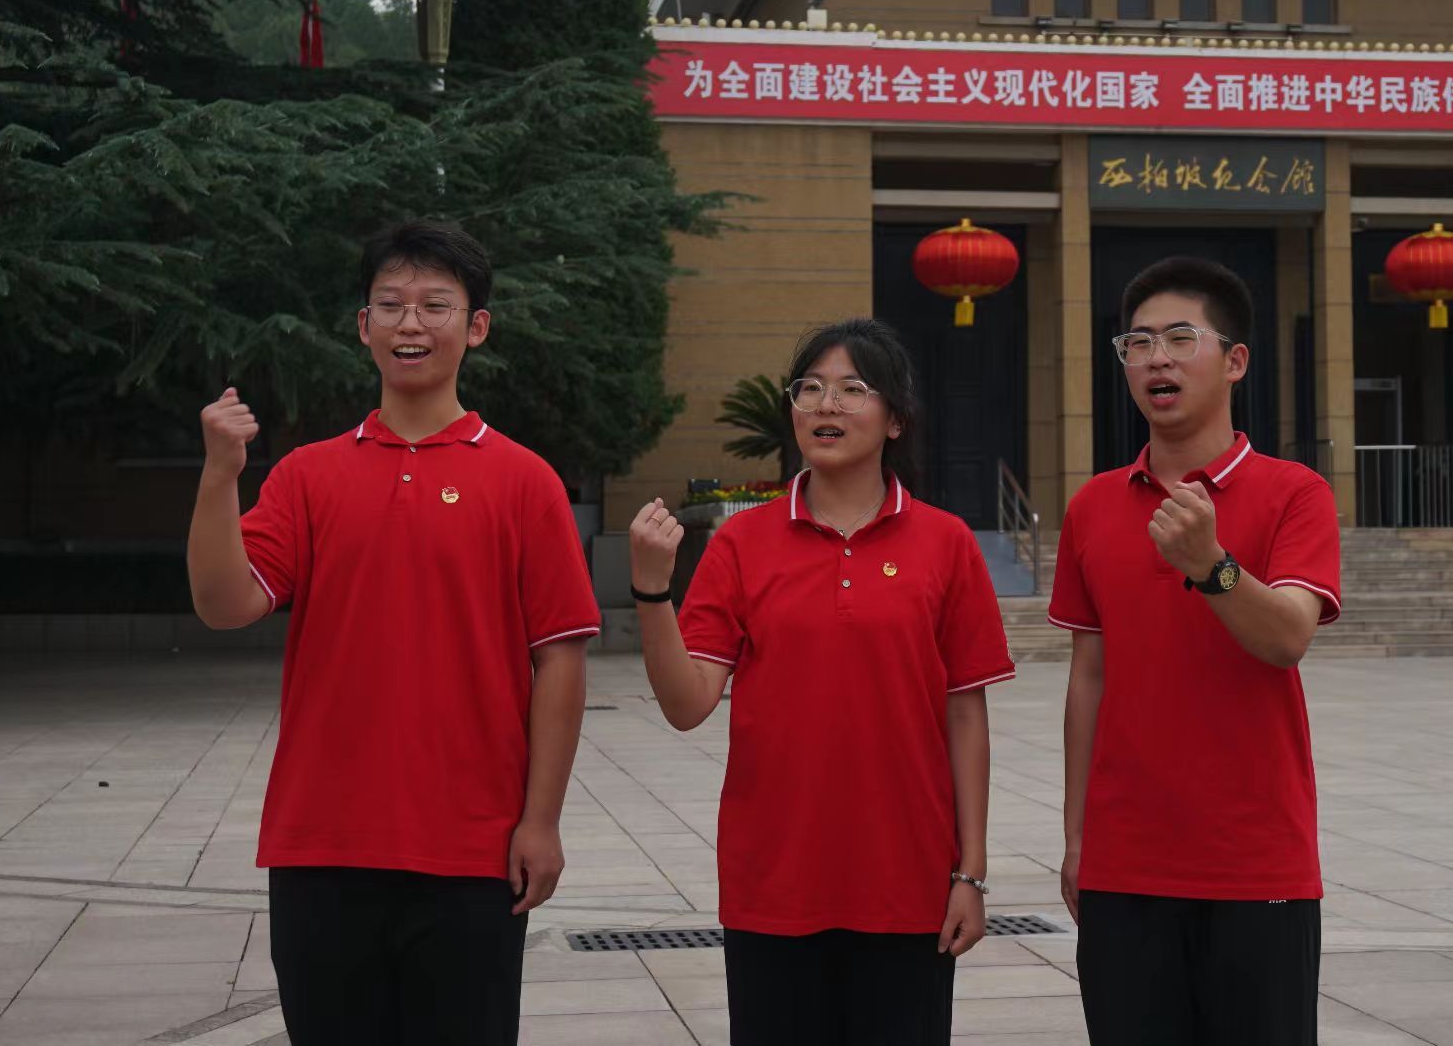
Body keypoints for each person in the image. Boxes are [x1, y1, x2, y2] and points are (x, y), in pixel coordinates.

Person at [185, 221, 601, 1045]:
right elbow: (223, 603)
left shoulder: (525, 481)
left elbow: (559, 658)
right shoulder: (308, 475)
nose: (412, 323)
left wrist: (541, 820)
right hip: (322, 846)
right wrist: (218, 476)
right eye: (391, 304)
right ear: (363, 325)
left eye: (435, 305)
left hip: (474, 851)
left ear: (476, 326)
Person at [627, 318, 1014, 1046]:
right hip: (774, 885)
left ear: (895, 418)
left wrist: (972, 873)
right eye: (809, 388)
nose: (826, 404)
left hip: (907, 886)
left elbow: (966, 716)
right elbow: (686, 704)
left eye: (852, 389)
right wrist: (652, 593)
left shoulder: (946, 543)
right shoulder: (742, 543)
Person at [1052, 257, 1341, 1046]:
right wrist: (1077, 839)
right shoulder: (1093, 506)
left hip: (1256, 864)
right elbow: (1089, 677)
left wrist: (1211, 566)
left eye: (1182, 338)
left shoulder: (1295, 492)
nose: (1157, 359)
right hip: (1124, 865)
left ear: (1235, 359)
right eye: (1138, 343)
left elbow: (1286, 637)